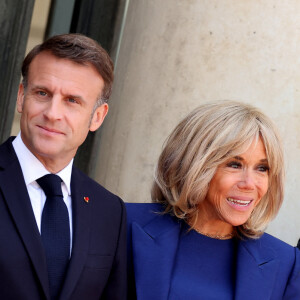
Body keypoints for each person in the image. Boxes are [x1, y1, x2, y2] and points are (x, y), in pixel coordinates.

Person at [126, 101, 300, 300]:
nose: (250, 184)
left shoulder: (287, 264)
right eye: (234, 165)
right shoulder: (123, 225)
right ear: (195, 165)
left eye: (262, 168)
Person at [0, 34, 126, 299]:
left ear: (97, 117)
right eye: (42, 93)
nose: (53, 113)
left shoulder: (110, 211)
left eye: (72, 101)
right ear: (22, 97)